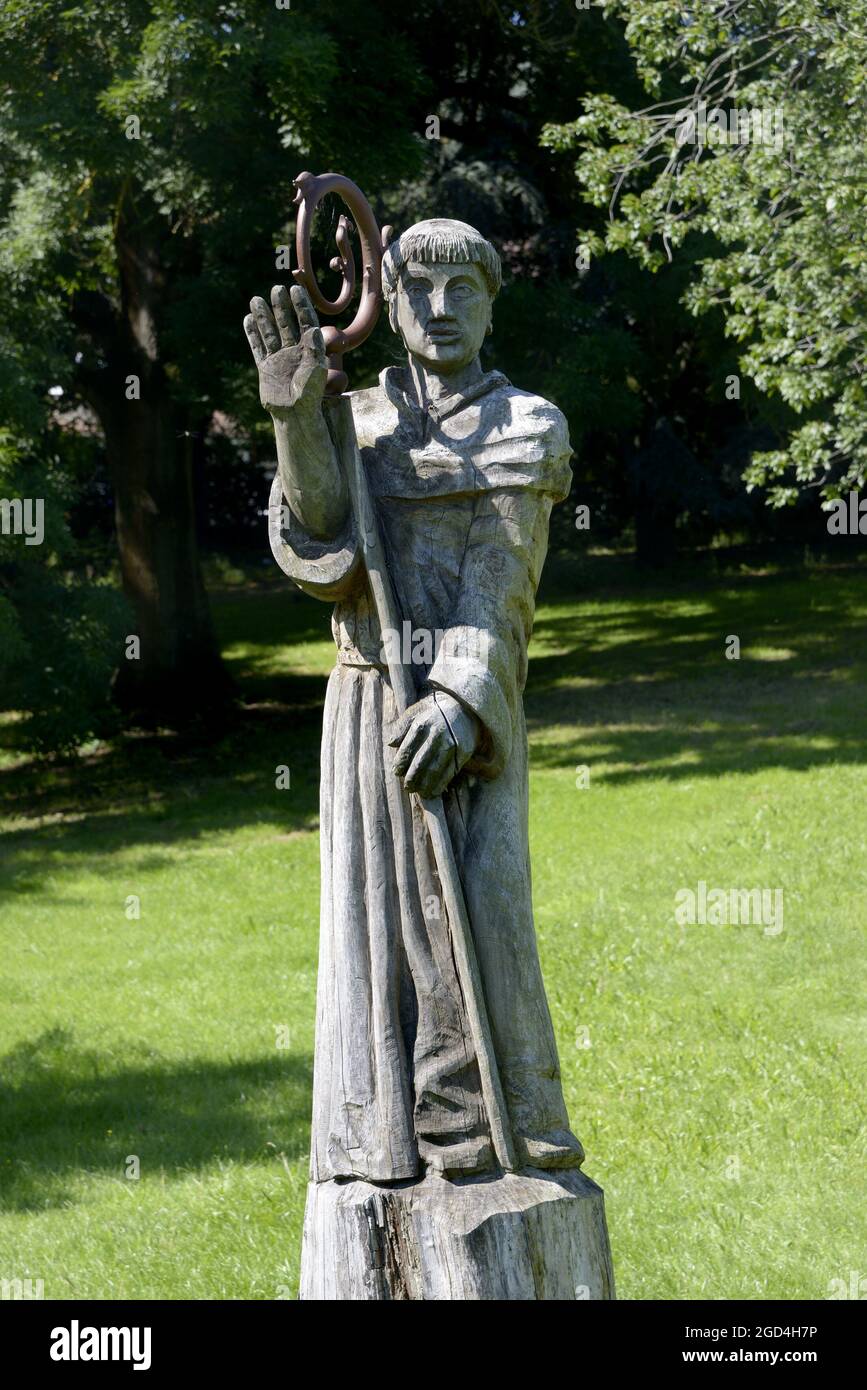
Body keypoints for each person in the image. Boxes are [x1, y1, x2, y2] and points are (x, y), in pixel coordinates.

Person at [243, 218, 585, 1181]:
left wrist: (457, 700)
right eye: (418, 291)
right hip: (364, 707)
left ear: (490, 300)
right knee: (379, 927)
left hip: (463, 717)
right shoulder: (358, 424)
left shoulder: (525, 425)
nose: (439, 311)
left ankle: (490, 1121)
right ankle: (380, 1135)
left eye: (461, 290)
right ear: (386, 306)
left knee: (474, 913)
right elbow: (324, 554)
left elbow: (502, 581)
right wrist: (293, 420)